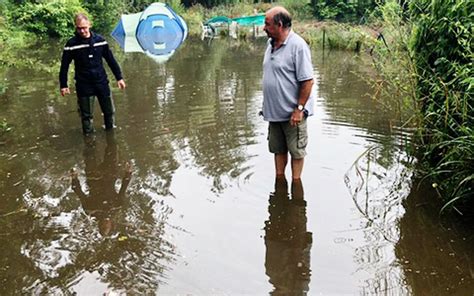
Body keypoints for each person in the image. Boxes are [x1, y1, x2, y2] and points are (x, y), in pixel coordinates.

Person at [261, 6, 314, 180]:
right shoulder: (270, 45)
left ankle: (296, 187)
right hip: (274, 113)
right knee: (278, 150)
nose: (263, 28)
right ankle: (280, 184)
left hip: (293, 115)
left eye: (267, 24)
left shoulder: (298, 46)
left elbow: (307, 81)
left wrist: (299, 109)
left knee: (297, 152)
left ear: (280, 25)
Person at [59, 13, 126, 134]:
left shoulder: (100, 41)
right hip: (84, 84)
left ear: (89, 25)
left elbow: (111, 60)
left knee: (109, 112)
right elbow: (64, 66)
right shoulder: (71, 44)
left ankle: (110, 135)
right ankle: (89, 140)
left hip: (101, 82)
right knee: (86, 116)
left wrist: (119, 77)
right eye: (79, 28)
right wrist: (63, 85)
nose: (82, 31)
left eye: (84, 27)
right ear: (76, 27)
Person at [70, 132, 132, 236]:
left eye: (102, 227)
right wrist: (128, 173)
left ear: (98, 225)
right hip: (110, 174)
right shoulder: (117, 206)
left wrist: (74, 178)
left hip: (93, 176)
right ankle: (109, 129)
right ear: (111, 224)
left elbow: (79, 192)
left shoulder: (90, 209)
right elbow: (123, 188)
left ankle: (88, 130)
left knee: (89, 150)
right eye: (106, 227)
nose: (104, 224)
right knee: (112, 147)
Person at [264, 176, 312, 294]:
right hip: (291, 242)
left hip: (287, 242)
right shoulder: (273, 273)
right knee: (295, 206)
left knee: (292, 205)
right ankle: (288, 180)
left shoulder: (272, 273)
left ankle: (292, 180)